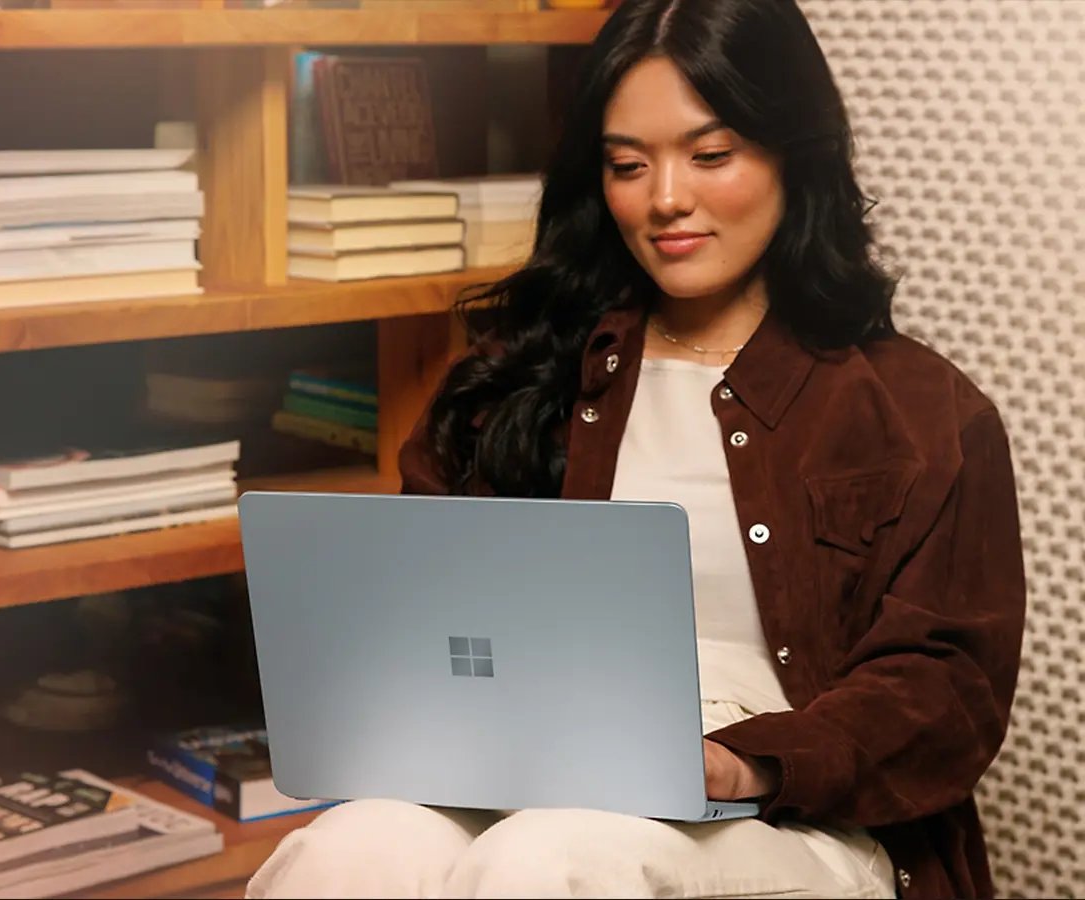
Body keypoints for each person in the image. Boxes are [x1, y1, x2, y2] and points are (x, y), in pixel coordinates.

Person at [247, 0, 1026, 896]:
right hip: (535, 771)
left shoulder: (922, 411)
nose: (665, 200)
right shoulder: (523, 374)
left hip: (795, 812)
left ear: (792, 155)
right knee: (347, 851)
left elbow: (948, 691)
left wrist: (745, 763)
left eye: (710, 155)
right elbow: (427, 615)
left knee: (549, 861)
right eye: (627, 164)